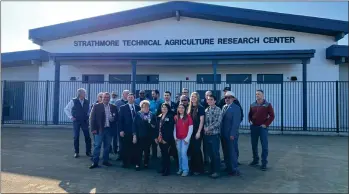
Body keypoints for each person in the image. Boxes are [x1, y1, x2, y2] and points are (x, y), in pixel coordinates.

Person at [89, 92, 118, 169]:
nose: (106, 99)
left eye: (108, 97)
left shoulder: (113, 107)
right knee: (97, 146)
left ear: (109, 98)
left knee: (107, 146)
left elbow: (116, 118)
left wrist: (113, 119)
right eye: (105, 97)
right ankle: (95, 162)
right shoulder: (96, 106)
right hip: (99, 130)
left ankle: (105, 161)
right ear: (102, 98)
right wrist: (93, 129)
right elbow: (92, 118)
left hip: (109, 130)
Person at [248, 89, 275, 171]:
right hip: (254, 127)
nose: (257, 95)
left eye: (259, 94)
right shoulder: (252, 105)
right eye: (256, 94)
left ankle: (264, 163)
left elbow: (272, 116)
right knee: (254, 144)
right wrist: (250, 120)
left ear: (263, 95)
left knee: (264, 146)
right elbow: (250, 114)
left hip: (263, 128)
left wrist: (266, 124)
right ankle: (255, 160)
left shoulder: (267, 105)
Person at [64, 88, 92, 158]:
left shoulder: (87, 101)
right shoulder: (73, 101)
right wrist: (71, 117)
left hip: (84, 121)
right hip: (76, 121)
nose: (85, 94)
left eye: (85, 93)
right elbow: (66, 109)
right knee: (76, 136)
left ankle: (88, 152)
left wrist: (88, 116)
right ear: (80, 94)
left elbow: (89, 110)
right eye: (84, 93)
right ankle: (76, 152)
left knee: (87, 137)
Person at [221, 91, 242, 176]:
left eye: (229, 97)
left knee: (232, 152)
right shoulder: (224, 107)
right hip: (223, 134)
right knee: (225, 151)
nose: (227, 99)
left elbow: (236, 123)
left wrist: (232, 134)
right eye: (225, 97)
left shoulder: (236, 108)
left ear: (233, 98)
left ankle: (234, 169)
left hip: (231, 135)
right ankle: (228, 167)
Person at [118, 93, 141, 168]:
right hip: (126, 130)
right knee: (125, 147)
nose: (131, 98)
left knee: (135, 146)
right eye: (129, 97)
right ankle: (125, 162)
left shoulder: (138, 107)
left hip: (136, 131)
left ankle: (133, 161)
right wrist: (121, 130)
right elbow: (120, 120)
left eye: (132, 97)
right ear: (127, 98)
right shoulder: (122, 108)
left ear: (134, 98)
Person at [132, 100, 154, 171]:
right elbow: (134, 126)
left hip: (148, 136)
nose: (146, 108)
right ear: (141, 107)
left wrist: (151, 124)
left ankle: (146, 163)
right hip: (139, 136)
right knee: (138, 151)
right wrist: (134, 135)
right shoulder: (138, 115)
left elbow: (155, 125)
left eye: (147, 107)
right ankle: (137, 164)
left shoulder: (152, 115)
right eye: (144, 107)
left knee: (147, 151)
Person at [154, 103, 175, 176]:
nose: (164, 108)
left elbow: (170, 129)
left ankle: (167, 170)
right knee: (163, 154)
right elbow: (157, 128)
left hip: (166, 139)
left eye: (165, 107)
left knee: (166, 155)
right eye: (162, 107)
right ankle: (163, 168)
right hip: (159, 138)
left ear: (168, 108)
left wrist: (165, 139)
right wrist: (156, 137)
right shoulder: (159, 116)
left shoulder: (170, 116)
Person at [203, 95, 222, 179]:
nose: (209, 101)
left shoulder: (218, 110)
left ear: (215, 101)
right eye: (208, 100)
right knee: (210, 153)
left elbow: (218, 122)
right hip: (207, 135)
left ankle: (216, 171)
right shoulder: (206, 110)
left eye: (211, 100)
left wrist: (209, 128)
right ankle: (211, 169)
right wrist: (205, 128)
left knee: (215, 153)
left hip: (214, 135)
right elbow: (203, 121)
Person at [187, 92, 205, 175]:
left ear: (197, 98)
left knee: (197, 150)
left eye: (195, 97)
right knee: (191, 150)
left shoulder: (200, 108)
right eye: (192, 96)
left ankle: (199, 169)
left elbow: (202, 121)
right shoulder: (189, 107)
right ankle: (192, 168)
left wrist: (198, 132)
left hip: (197, 132)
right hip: (190, 132)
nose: (193, 98)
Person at [174, 103, 193, 177]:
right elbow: (174, 129)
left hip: (185, 139)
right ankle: (180, 168)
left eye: (182, 108)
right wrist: (175, 138)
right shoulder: (175, 117)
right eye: (179, 108)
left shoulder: (188, 117)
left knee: (183, 153)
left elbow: (191, 129)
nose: (181, 109)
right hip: (178, 139)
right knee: (179, 154)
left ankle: (185, 170)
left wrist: (187, 139)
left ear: (185, 109)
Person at [114, 90, 130, 160]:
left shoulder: (131, 102)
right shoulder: (117, 102)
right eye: (126, 94)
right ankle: (120, 154)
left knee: (128, 140)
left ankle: (128, 154)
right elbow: (115, 112)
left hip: (128, 125)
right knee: (120, 140)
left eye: (128, 94)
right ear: (123, 94)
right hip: (120, 124)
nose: (127, 95)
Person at [149, 89, 164, 159]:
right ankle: (154, 156)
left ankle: (163, 156)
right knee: (153, 140)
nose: (152, 95)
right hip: (152, 123)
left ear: (157, 94)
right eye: (152, 94)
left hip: (160, 123)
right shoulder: (150, 102)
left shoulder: (162, 102)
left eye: (153, 94)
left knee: (161, 139)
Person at [201, 90, 212, 165]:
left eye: (210, 95)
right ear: (205, 96)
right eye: (207, 95)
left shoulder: (215, 105)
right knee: (204, 146)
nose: (208, 96)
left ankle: (210, 161)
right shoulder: (201, 104)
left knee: (210, 146)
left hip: (210, 129)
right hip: (201, 128)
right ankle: (205, 160)